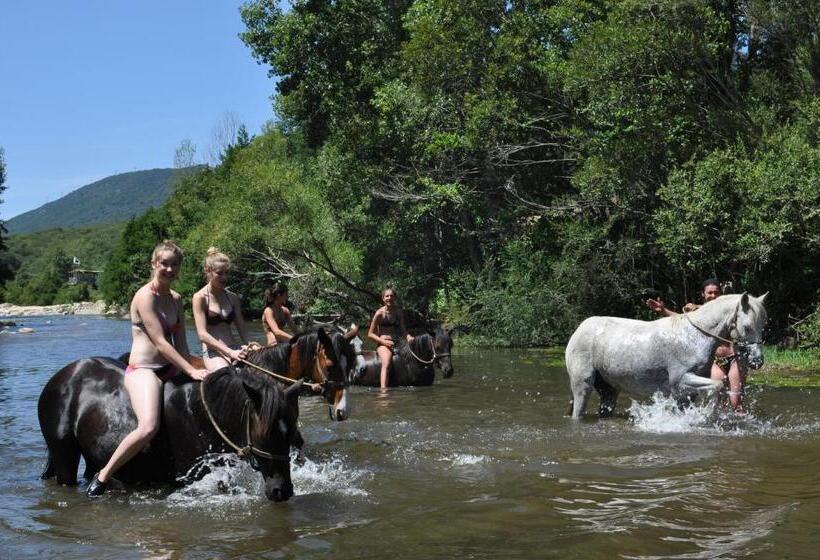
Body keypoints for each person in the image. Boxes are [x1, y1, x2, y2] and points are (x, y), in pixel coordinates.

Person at [87, 240, 209, 497]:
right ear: (154, 263)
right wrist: (191, 370)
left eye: (174, 264)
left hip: (171, 368)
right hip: (144, 371)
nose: (169, 269)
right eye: (164, 263)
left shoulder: (176, 299)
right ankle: (103, 476)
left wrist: (198, 370)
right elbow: (161, 342)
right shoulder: (144, 296)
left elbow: (181, 344)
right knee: (148, 427)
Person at [646, 278, 747, 411]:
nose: (713, 295)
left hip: (734, 358)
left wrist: (698, 307)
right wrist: (664, 311)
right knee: (718, 400)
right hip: (716, 361)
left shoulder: (728, 311)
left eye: (716, 292)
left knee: (736, 401)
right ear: (703, 294)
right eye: (710, 293)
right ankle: (723, 423)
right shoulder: (699, 315)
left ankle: (743, 421)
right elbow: (683, 321)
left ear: (721, 294)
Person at [192, 247, 251, 371]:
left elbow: (242, 328)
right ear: (208, 270)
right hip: (213, 351)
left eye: (227, 273)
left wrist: (250, 345)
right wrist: (229, 352)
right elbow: (202, 335)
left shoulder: (233, 298)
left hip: (234, 347)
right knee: (227, 375)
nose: (224, 277)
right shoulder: (200, 298)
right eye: (219, 273)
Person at [367, 287, 414, 389]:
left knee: (414, 356)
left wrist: (409, 337)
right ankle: (383, 390)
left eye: (391, 296)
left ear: (395, 298)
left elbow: (403, 331)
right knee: (386, 363)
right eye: (387, 296)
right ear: (383, 298)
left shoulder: (398, 312)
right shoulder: (379, 313)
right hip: (384, 344)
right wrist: (383, 342)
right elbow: (370, 334)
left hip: (398, 342)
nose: (389, 298)